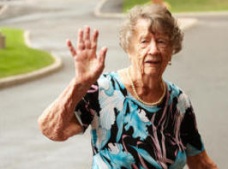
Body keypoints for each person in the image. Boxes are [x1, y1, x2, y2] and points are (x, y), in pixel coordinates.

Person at [38, 4, 218, 169]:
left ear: (172, 50)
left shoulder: (179, 102)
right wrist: (79, 84)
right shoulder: (105, 91)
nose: (154, 50)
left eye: (162, 41)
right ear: (129, 48)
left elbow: (200, 162)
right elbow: (52, 130)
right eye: (144, 41)